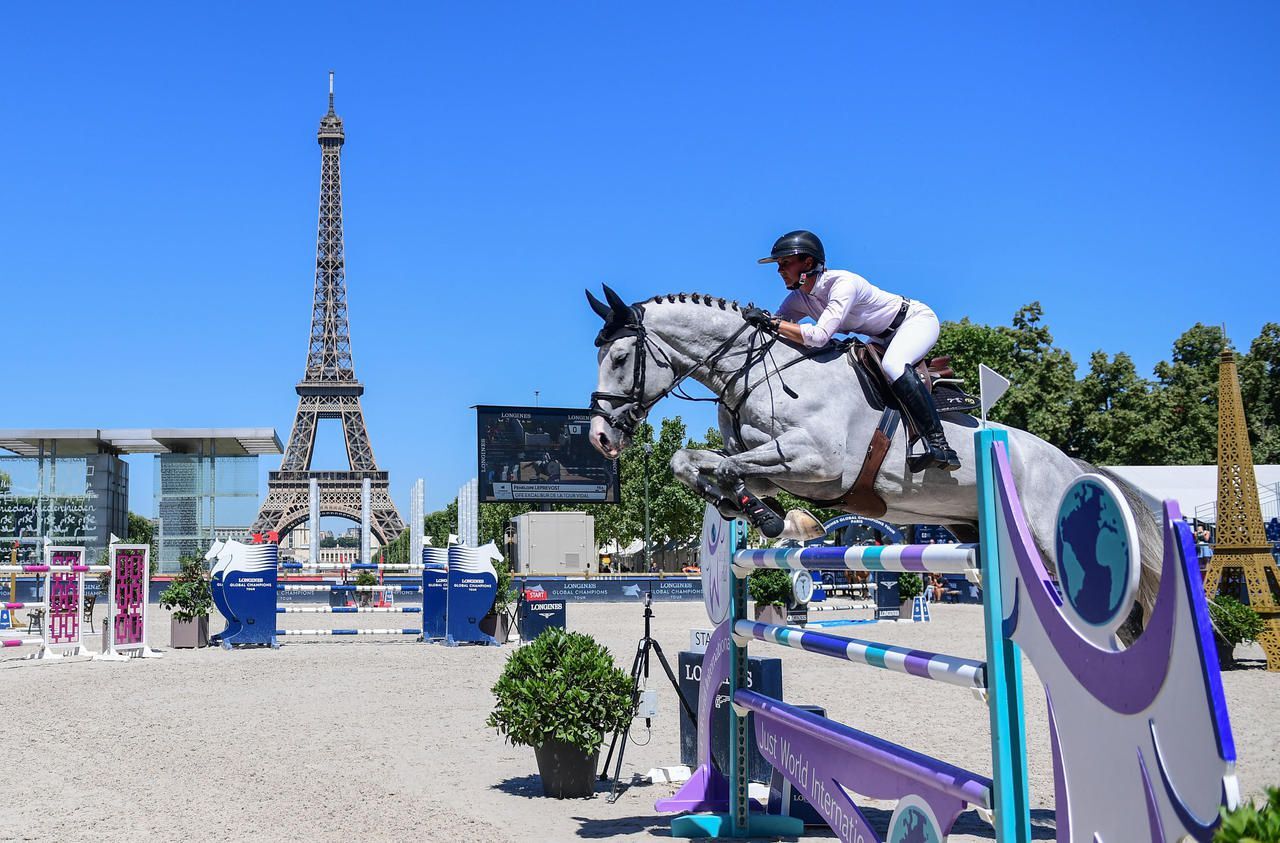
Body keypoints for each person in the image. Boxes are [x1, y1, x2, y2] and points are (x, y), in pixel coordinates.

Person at [745, 230, 960, 472]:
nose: (779, 270)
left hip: (913, 321)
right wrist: (763, 323)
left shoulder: (842, 283)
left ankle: (940, 444)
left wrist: (772, 323)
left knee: (894, 365)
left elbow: (818, 336)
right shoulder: (798, 298)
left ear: (807, 262)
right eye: (779, 264)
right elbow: (779, 327)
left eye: (785, 262)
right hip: (880, 336)